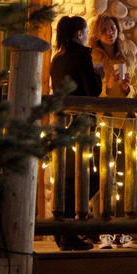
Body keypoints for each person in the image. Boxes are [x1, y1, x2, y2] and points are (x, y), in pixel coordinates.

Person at [47, 14, 101, 247]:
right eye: (86, 32)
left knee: (68, 176)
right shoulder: (82, 56)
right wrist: (98, 74)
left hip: (61, 125)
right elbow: (93, 91)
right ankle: (68, 230)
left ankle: (62, 229)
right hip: (81, 124)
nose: (87, 35)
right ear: (79, 34)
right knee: (92, 175)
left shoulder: (57, 58)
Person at [88, 14, 134, 243]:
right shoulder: (94, 57)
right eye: (105, 29)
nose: (110, 33)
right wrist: (107, 86)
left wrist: (127, 88)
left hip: (125, 121)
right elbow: (92, 90)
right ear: (97, 33)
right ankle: (101, 222)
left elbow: (136, 87)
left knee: (125, 173)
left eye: (113, 28)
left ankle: (122, 224)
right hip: (104, 121)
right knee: (103, 172)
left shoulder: (127, 57)